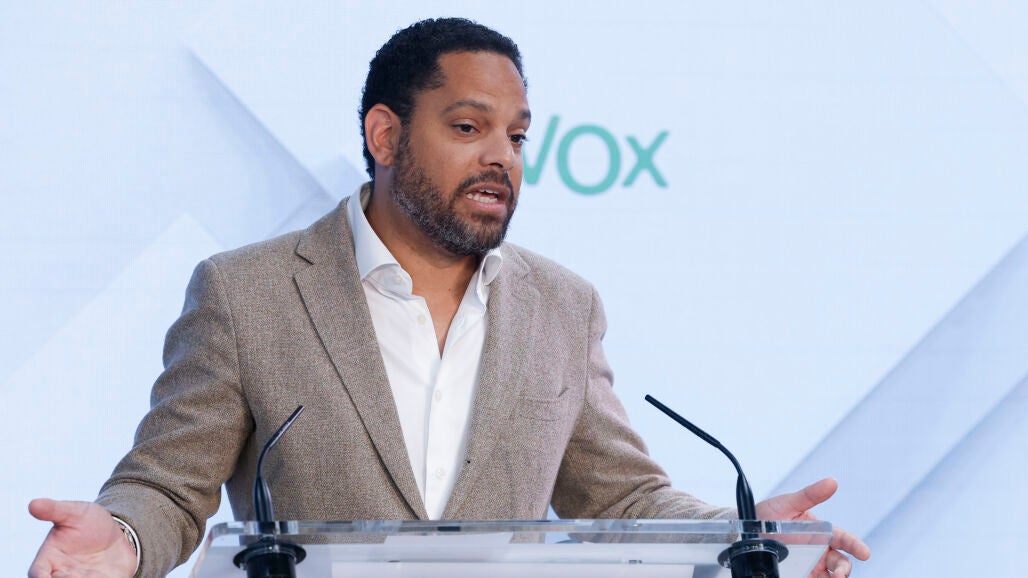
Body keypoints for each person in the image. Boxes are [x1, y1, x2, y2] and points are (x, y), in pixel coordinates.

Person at [28, 18, 870, 578]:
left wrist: (740, 535)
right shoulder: (246, 294)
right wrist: (121, 541)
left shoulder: (562, 306)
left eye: (517, 135)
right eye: (468, 128)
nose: (501, 156)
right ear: (385, 134)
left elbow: (619, 498)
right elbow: (170, 487)